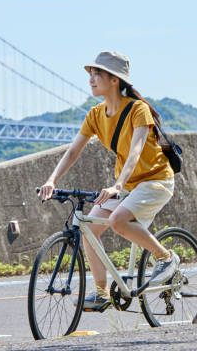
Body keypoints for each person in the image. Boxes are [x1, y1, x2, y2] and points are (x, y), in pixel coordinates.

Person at [38, 50, 178, 312]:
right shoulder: (95, 114)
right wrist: (52, 179)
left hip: (156, 180)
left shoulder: (138, 109)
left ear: (115, 79)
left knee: (117, 221)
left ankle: (166, 258)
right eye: (90, 73)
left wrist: (116, 186)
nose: (91, 78)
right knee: (87, 228)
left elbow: (136, 151)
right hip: (128, 185)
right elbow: (73, 152)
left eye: (97, 73)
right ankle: (102, 292)